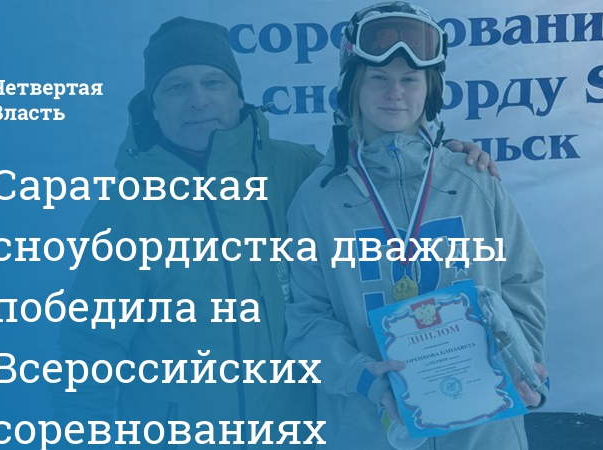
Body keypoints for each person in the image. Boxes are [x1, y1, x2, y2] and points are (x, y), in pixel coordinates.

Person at [50, 16, 495, 447]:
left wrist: (450, 156)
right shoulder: (125, 212)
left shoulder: (297, 170)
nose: (198, 101)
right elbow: (88, 351)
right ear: (153, 104)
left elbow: (383, 167)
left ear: (238, 93)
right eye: (176, 87)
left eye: (213, 82)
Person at [284, 2, 548, 449]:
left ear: (431, 90)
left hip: (484, 432)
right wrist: (366, 379)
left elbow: (521, 284)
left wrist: (523, 363)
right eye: (378, 78)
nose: (395, 93)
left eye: (410, 79)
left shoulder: (474, 181)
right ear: (353, 87)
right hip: (370, 431)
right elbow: (307, 320)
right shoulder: (318, 201)